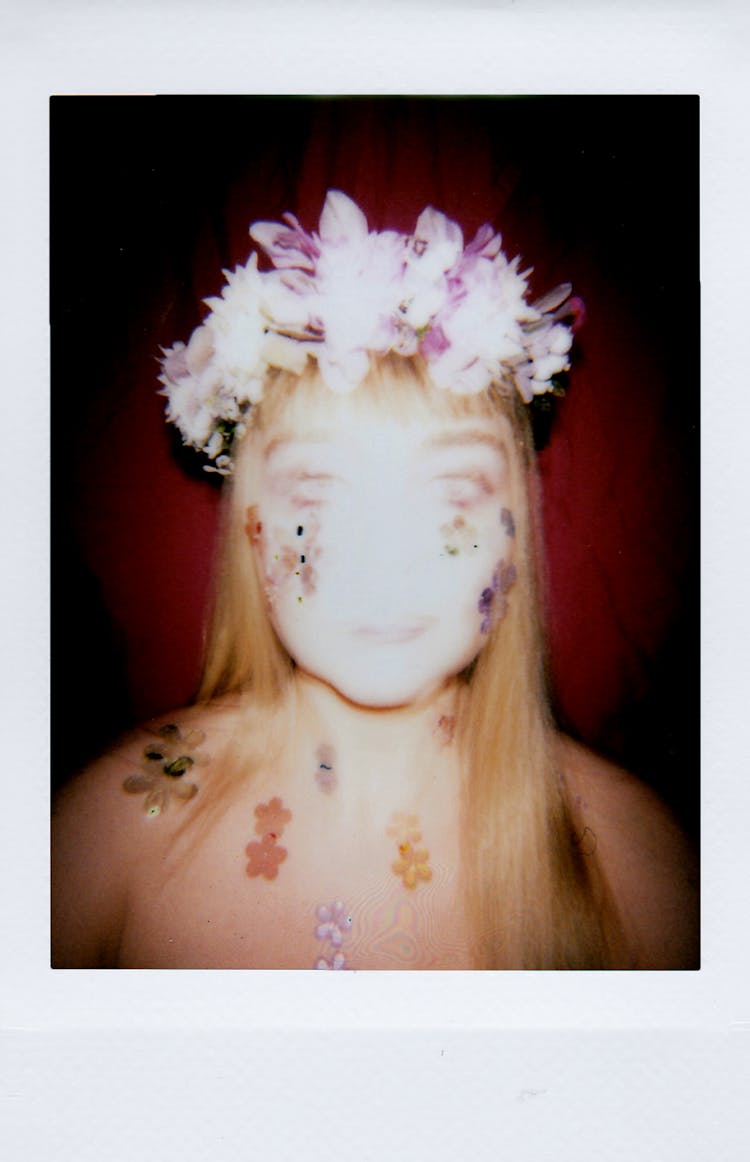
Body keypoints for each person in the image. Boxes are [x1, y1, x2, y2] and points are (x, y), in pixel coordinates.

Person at [51, 191, 698, 970]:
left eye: (451, 494)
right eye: (319, 495)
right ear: (250, 532)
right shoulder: (99, 843)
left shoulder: (642, 872)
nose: (384, 561)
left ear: (515, 532)